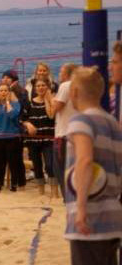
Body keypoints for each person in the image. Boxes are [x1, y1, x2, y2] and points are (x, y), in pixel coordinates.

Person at [62, 66, 122, 265]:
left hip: (92, 216)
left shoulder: (81, 121)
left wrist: (82, 208)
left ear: (74, 93)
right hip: (113, 215)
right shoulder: (113, 122)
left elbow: (85, 160)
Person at [0, 83, 25, 192]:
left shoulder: (15, 103)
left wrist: (8, 102)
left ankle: (14, 183)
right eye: (1, 90)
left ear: (9, 92)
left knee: (13, 162)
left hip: (12, 137)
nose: (3, 92)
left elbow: (13, 115)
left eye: (5, 90)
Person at [51, 63, 79, 198]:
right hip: (77, 133)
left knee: (62, 171)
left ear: (67, 74)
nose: (59, 74)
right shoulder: (80, 86)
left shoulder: (65, 85)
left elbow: (53, 111)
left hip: (63, 135)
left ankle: (68, 199)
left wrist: (49, 98)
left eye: (61, 72)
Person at [25, 77, 56, 195]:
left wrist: (47, 99)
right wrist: (28, 124)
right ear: (34, 88)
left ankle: (54, 191)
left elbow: (51, 116)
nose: (40, 88)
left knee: (49, 165)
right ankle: (41, 191)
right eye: (38, 86)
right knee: (37, 166)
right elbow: (22, 118)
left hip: (48, 138)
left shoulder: (52, 100)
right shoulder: (30, 103)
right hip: (33, 139)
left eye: (43, 85)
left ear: (47, 87)